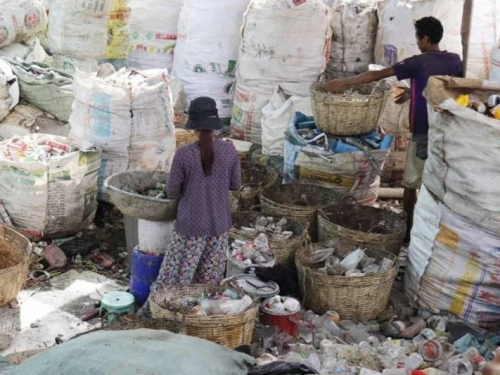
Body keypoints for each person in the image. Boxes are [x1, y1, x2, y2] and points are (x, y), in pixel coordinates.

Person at [326, 16, 462, 242]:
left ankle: (408, 230)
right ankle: (434, 229)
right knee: (439, 180)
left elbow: (377, 74)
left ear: (425, 39)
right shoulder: (454, 60)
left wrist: (342, 83)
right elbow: (449, 89)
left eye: (418, 38)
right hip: (448, 131)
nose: (417, 43)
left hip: (423, 132)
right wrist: (414, 93)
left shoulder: (418, 62)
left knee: (410, 184)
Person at [157, 96, 242, 285]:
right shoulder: (229, 150)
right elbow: (236, 185)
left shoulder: (184, 154)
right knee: (208, 284)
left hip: (190, 228)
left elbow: (171, 190)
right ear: (214, 123)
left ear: (193, 126)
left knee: (175, 281)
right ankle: (200, 312)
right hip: (219, 227)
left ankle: (166, 312)